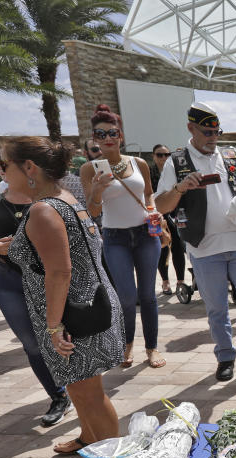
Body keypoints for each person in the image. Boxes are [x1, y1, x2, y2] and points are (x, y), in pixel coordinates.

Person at [1, 136, 123, 454]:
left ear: (28, 167)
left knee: (89, 392)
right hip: (82, 305)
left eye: (3, 165)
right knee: (78, 385)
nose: (1, 173)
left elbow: (60, 272)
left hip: (71, 314)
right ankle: (89, 438)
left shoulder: (44, 210)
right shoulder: (63, 197)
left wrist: (54, 326)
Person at [154, 102, 236, 382]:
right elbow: (161, 205)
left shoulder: (232, 156)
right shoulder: (178, 161)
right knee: (217, 308)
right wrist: (181, 187)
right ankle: (225, 357)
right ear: (191, 129)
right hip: (204, 247)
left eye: (216, 132)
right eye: (206, 132)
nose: (213, 138)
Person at [80, 105, 165, 369]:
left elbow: (148, 194)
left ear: (121, 135)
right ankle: (127, 343)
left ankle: (151, 347)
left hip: (145, 234)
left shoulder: (138, 163)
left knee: (148, 295)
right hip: (115, 238)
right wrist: (96, 190)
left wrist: (153, 211)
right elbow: (93, 211)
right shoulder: (89, 169)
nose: (107, 138)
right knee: (127, 296)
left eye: (112, 132)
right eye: (101, 133)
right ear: (94, 138)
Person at [0, 154, 71, 426]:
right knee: (32, 345)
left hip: (48, 279)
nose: (3, 169)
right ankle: (59, 396)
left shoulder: (49, 201)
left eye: (8, 163)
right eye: (0, 164)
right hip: (9, 281)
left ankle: (83, 391)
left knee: (65, 337)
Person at [150, 144, 188, 298]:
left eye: (167, 154)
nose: (164, 158)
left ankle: (180, 281)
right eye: (160, 155)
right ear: (153, 156)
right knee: (162, 246)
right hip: (156, 214)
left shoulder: (175, 169)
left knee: (178, 244)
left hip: (176, 212)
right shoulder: (149, 172)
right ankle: (165, 281)